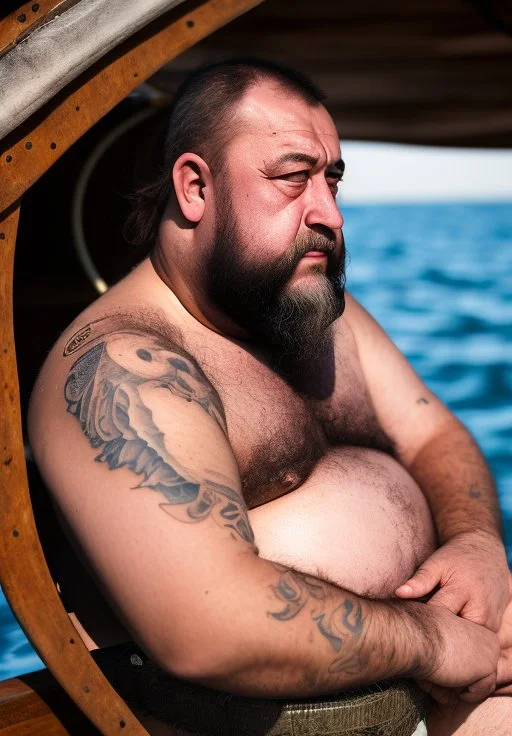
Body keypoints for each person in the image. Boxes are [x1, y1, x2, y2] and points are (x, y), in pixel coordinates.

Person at [29, 59, 512, 735]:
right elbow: (206, 625)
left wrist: (477, 550)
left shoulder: (316, 312)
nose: (330, 216)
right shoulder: (125, 367)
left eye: (333, 180)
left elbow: (433, 434)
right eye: (293, 179)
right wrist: (431, 640)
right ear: (195, 188)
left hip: (439, 695)